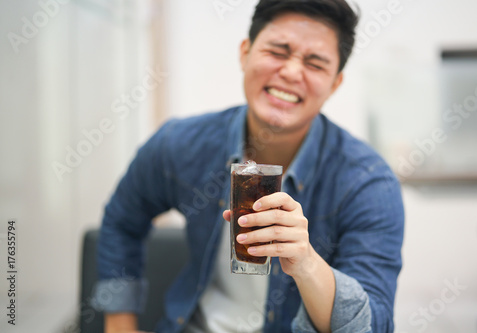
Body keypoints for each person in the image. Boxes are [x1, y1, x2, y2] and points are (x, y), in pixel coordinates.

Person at [92, 0, 405, 332]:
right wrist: (119, 323)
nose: (291, 72)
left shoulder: (368, 183)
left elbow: (374, 323)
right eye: (278, 51)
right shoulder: (181, 143)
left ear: (334, 84)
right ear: (245, 52)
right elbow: (122, 220)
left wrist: (306, 263)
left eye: (314, 63)